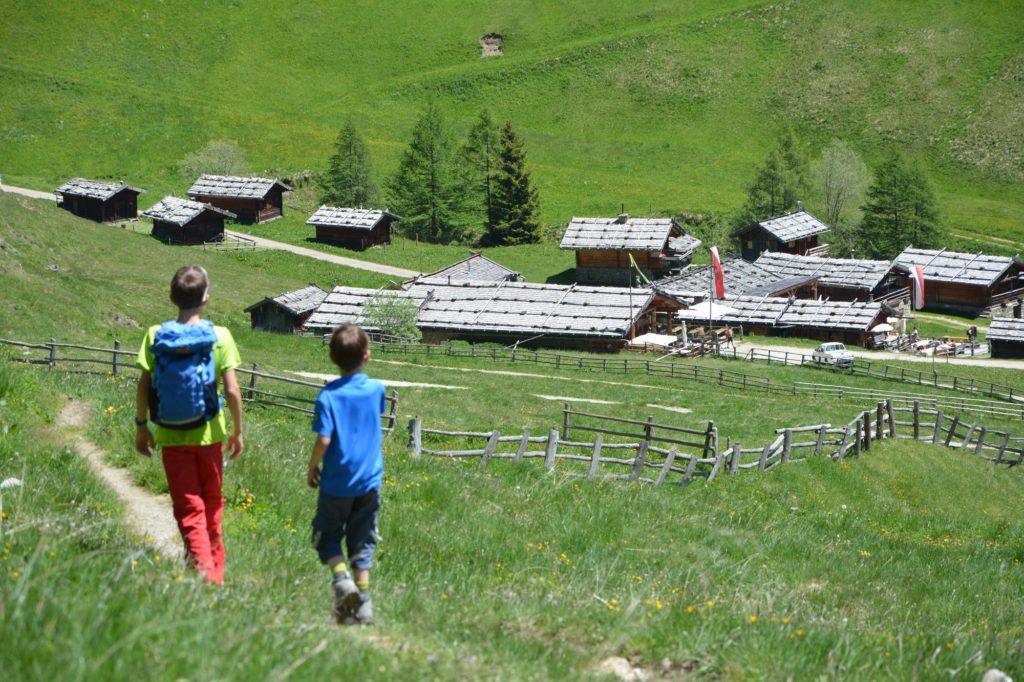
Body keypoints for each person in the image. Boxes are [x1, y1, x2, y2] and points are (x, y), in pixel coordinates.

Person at [134, 265, 244, 585]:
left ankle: (200, 569)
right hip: (210, 435)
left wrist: (142, 426)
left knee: (188, 506)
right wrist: (238, 432)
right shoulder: (219, 336)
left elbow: (144, 385)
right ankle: (211, 574)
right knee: (211, 503)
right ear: (206, 298)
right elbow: (233, 390)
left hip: (171, 436)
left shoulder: (155, 335)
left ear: (172, 297)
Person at [307, 324, 385, 625]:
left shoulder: (327, 397)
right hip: (369, 482)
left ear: (331, 357)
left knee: (326, 537)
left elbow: (324, 439)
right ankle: (362, 605)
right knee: (362, 542)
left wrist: (313, 466)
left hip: (337, 483)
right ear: (367, 356)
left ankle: (342, 581)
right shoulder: (377, 389)